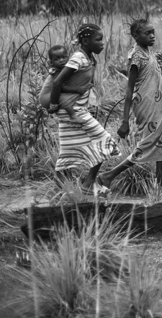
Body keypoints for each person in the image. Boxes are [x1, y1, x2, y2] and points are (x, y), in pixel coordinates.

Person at [98, 16, 162, 189]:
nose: (152, 36)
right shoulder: (136, 56)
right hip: (146, 106)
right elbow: (129, 89)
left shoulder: (149, 54)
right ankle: (109, 175)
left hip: (158, 104)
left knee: (161, 141)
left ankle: (159, 187)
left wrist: (161, 71)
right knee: (149, 142)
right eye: (147, 33)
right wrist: (125, 121)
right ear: (135, 35)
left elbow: (150, 78)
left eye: (153, 33)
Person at [49, 23, 120, 194]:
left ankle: (61, 189)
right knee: (105, 140)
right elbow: (57, 82)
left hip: (77, 110)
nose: (103, 43)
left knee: (67, 150)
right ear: (86, 41)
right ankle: (87, 184)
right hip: (72, 111)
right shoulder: (78, 58)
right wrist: (53, 104)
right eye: (99, 39)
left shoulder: (88, 58)